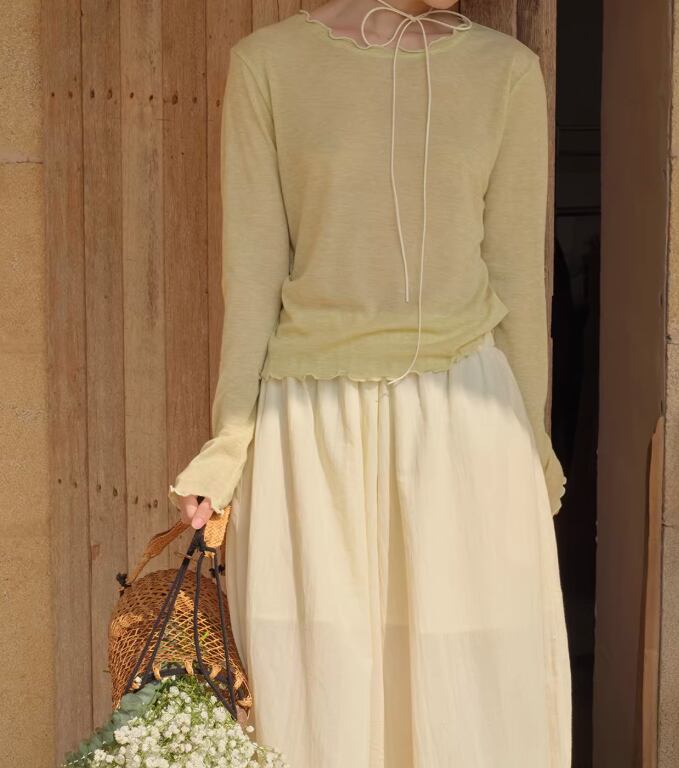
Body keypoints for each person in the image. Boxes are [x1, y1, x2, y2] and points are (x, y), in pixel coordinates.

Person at [168, 0, 571, 765]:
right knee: (320, 694)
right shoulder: (268, 66)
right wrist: (229, 446)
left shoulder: (507, 73)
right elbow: (252, 276)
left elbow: (519, 276)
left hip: (465, 421)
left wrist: (534, 443)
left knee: (471, 692)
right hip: (313, 425)